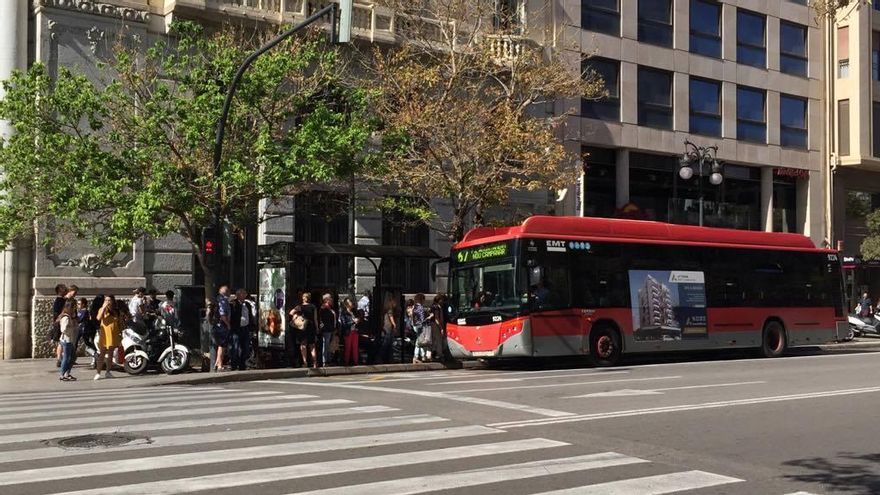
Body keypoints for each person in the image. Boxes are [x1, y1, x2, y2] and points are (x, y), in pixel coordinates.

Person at [95, 295, 122, 380]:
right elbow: (98, 318)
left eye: (109, 300)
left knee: (111, 353)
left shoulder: (115, 311)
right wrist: (103, 307)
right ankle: (98, 372)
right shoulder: (103, 309)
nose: (107, 302)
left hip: (114, 333)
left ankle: (108, 371)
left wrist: (121, 332)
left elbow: (119, 322)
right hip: (105, 334)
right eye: (106, 300)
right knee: (102, 353)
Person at [230, 289, 255, 371]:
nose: (245, 295)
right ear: (238, 295)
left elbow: (250, 316)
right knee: (235, 347)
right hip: (237, 328)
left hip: (245, 328)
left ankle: (242, 365)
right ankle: (234, 365)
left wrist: (251, 327)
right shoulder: (234, 303)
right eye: (243, 293)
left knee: (246, 348)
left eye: (245, 293)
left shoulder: (247, 304)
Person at [292, 293, 319, 369]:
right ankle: (314, 363)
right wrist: (317, 328)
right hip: (311, 327)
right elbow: (315, 319)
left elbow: (291, 312)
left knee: (303, 345)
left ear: (303, 298)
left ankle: (305, 362)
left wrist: (297, 315)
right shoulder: (313, 307)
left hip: (303, 327)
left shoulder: (300, 306)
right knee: (312, 346)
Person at [57, 299, 78, 381]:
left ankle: (67, 373)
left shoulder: (69, 316)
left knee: (72, 357)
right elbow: (63, 329)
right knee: (67, 357)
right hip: (67, 340)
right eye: (73, 307)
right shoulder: (66, 317)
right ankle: (62, 374)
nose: (74, 309)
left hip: (69, 339)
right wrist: (71, 327)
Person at [212, 285, 232, 372]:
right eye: (229, 291)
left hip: (218, 324)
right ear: (226, 292)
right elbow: (223, 315)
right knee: (222, 345)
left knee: (221, 344)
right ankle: (220, 365)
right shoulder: (223, 301)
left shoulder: (218, 299)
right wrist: (228, 324)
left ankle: (217, 363)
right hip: (222, 325)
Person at [76, 297, 97, 368]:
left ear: (83, 304)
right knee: (76, 344)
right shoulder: (79, 311)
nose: (78, 305)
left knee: (87, 345)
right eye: (77, 304)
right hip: (80, 330)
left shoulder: (84, 311)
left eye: (79, 304)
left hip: (84, 330)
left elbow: (79, 320)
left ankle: (95, 355)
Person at [318, 293, 338, 367]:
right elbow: (322, 320)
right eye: (330, 298)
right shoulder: (323, 308)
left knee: (328, 345)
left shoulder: (330, 308)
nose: (331, 299)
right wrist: (322, 328)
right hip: (326, 329)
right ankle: (325, 361)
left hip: (331, 329)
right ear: (326, 300)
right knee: (325, 345)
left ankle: (328, 359)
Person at [51, 284, 67, 368]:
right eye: (65, 289)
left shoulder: (60, 300)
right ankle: (59, 359)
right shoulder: (60, 301)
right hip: (60, 323)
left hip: (59, 323)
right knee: (61, 341)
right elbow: (57, 313)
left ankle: (61, 358)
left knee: (61, 341)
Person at [340, 298, 358, 366]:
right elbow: (344, 324)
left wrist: (357, 321)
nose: (351, 303)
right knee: (348, 348)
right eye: (350, 302)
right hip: (348, 332)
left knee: (355, 348)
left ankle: (355, 362)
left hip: (355, 331)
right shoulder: (344, 313)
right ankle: (346, 362)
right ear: (346, 304)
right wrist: (353, 321)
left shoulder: (353, 312)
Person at [412, 294, 429, 364]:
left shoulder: (415, 307)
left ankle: (422, 356)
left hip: (415, 325)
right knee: (420, 342)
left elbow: (413, 317)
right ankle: (417, 357)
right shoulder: (420, 308)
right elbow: (422, 319)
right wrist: (429, 317)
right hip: (420, 325)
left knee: (419, 341)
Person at [380, 298, 397, 364]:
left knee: (388, 342)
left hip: (386, 326)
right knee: (387, 342)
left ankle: (388, 358)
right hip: (388, 327)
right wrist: (394, 324)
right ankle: (382, 356)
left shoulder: (386, 310)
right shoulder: (390, 310)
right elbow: (391, 317)